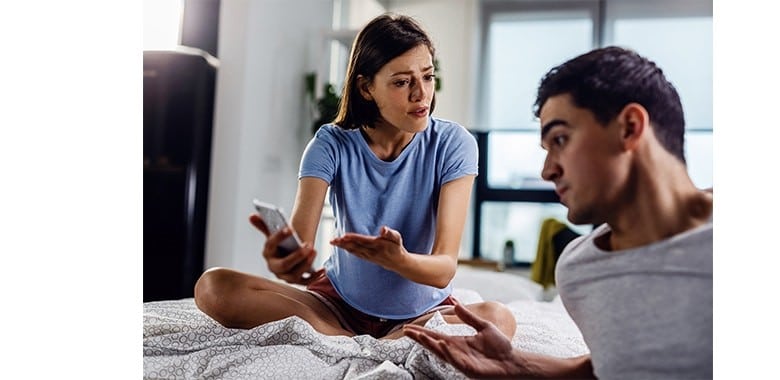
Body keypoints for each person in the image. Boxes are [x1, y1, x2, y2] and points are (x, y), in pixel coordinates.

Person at [193, 13, 517, 340]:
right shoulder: (329, 143)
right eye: (403, 82)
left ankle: (350, 340)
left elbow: (445, 267)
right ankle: (363, 341)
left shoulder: (453, 144)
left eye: (428, 77)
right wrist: (286, 261)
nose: (422, 94)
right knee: (213, 287)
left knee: (498, 318)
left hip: (422, 312)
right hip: (336, 304)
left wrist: (399, 260)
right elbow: (301, 253)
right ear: (365, 87)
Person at [404, 46, 713, 379]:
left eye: (561, 139)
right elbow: (613, 369)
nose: (547, 171)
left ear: (630, 127)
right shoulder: (580, 270)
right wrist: (516, 365)